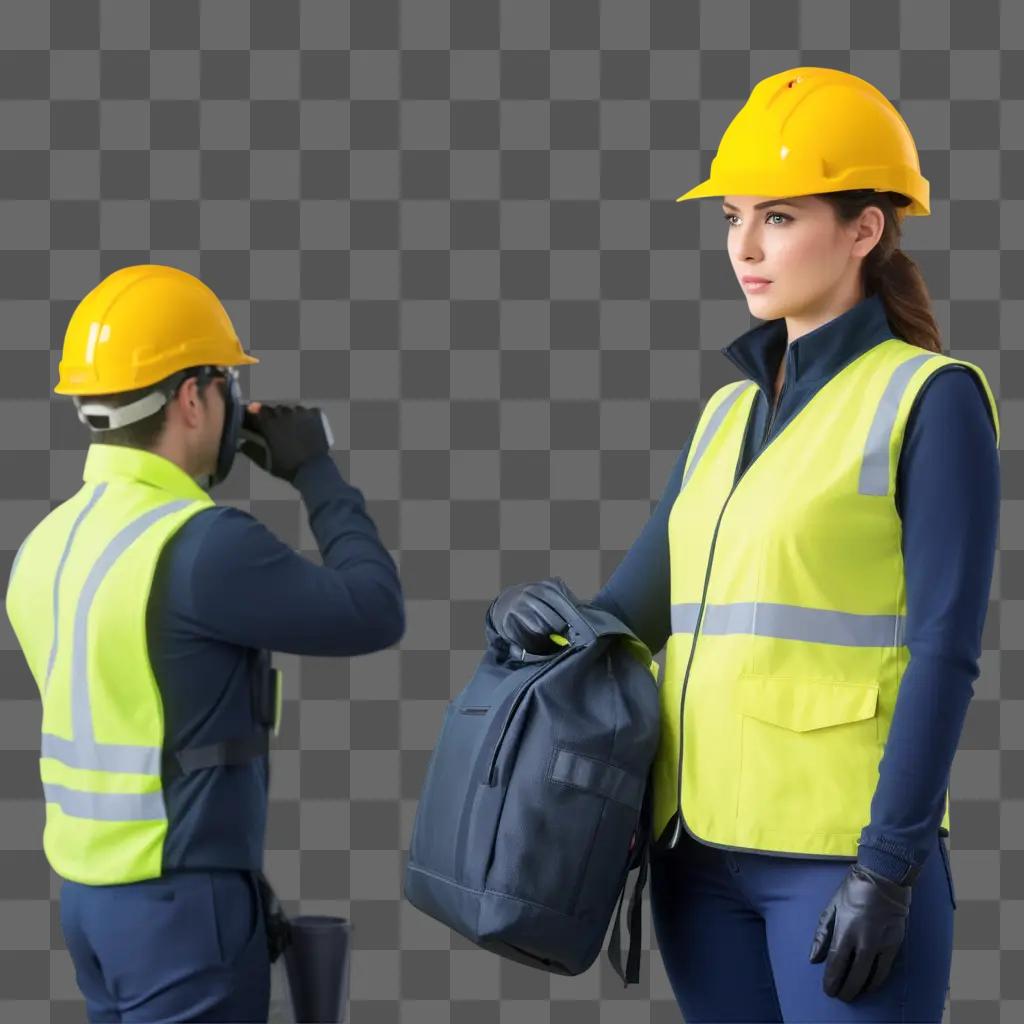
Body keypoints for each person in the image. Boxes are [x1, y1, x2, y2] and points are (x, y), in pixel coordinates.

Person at [488, 67, 1000, 1021]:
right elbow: (633, 616)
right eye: (732, 218)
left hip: (838, 868)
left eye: (779, 217)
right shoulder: (725, 416)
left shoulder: (930, 402)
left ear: (864, 229)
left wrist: (889, 868)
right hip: (696, 859)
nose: (745, 248)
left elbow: (946, 654)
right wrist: (539, 620)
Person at [4, 264, 405, 1022]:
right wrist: (315, 470)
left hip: (90, 907)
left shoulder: (43, 546)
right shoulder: (203, 547)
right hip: (182, 913)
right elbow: (375, 609)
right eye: (221, 384)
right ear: (192, 396)